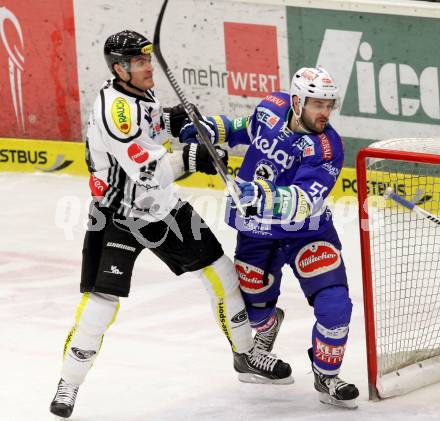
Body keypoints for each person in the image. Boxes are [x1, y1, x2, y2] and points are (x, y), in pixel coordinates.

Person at [49, 30, 292, 419]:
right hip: (118, 216)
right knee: (100, 305)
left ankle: (247, 355)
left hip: (164, 209)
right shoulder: (115, 110)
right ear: (119, 68)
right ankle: (69, 383)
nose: (149, 67)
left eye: (149, 59)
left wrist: (173, 120)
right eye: (140, 62)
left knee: (223, 275)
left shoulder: (138, 96)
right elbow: (146, 169)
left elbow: (149, 128)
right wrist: (193, 158)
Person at [180, 66, 360, 409]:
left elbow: (304, 201)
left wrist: (261, 195)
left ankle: (327, 376)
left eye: (329, 105)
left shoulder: (327, 147)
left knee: (336, 305)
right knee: (252, 312)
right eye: (316, 104)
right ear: (296, 101)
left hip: (308, 233)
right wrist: (210, 129)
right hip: (257, 233)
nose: (324, 112)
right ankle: (266, 326)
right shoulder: (272, 107)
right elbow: (241, 129)